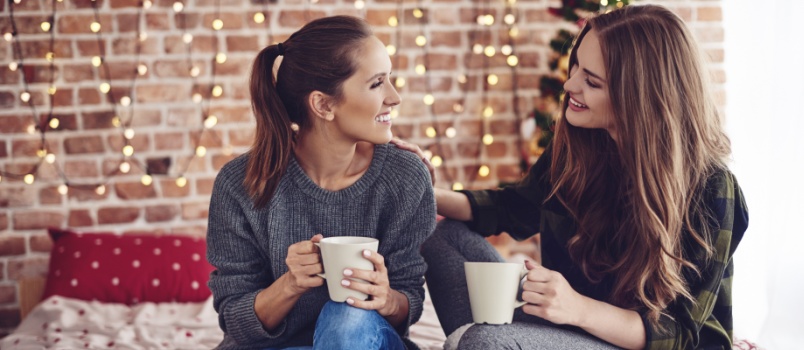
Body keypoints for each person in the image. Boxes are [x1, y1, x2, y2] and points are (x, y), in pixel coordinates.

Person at [393, 4, 748, 350]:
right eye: (575, 67)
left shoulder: (711, 188)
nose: (569, 85)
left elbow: (680, 335)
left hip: (634, 339)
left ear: (639, 97)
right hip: (571, 325)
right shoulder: (578, 149)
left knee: (483, 340)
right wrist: (420, 188)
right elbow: (511, 208)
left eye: (591, 82)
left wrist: (577, 308)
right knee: (446, 238)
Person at [206, 16, 436, 350]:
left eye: (390, 80)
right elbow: (234, 321)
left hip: (363, 340)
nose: (394, 97)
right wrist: (291, 284)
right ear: (323, 104)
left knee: (345, 316)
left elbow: (409, 304)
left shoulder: (404, 177)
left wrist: (386, 298)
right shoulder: (241, 184)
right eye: (377, 83)